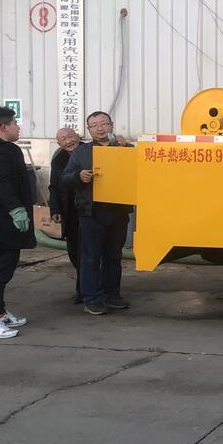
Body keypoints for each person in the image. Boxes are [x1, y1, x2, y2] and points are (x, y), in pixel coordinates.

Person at [63, 111, 132, 316]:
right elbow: (65, 178)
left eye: (103, 123)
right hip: (91, 211)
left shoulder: (125, 148)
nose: (100, 128)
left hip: (118, 210)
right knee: (90, 257)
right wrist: (79, 176)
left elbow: (138, 170)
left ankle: (112, 295)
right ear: (89, 130)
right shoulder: (81, 152)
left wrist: (125, 147)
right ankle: (92, 298)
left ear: (112, 125)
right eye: (94, 125)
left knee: (114, 255)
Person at [0, 107, 36, 339]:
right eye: (14, 122)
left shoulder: (9, 149)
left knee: (5, 268)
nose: (18, 126)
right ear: (4, 127)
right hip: (0, 222)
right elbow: (1, 182)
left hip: (6, 223)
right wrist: (16, 209)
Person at [49, 127, 84, 303]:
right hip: (69, 212)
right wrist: (55, 209)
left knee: (89, 252)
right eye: (63, 139)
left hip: (90, 211)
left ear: (78, 136)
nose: (68, 141)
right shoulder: (58, 159)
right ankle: (84, 287)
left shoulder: (90, 151)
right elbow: (54, 186)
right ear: (59, 143)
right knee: (74, 252)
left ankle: (85, 290)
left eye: (71, 136)